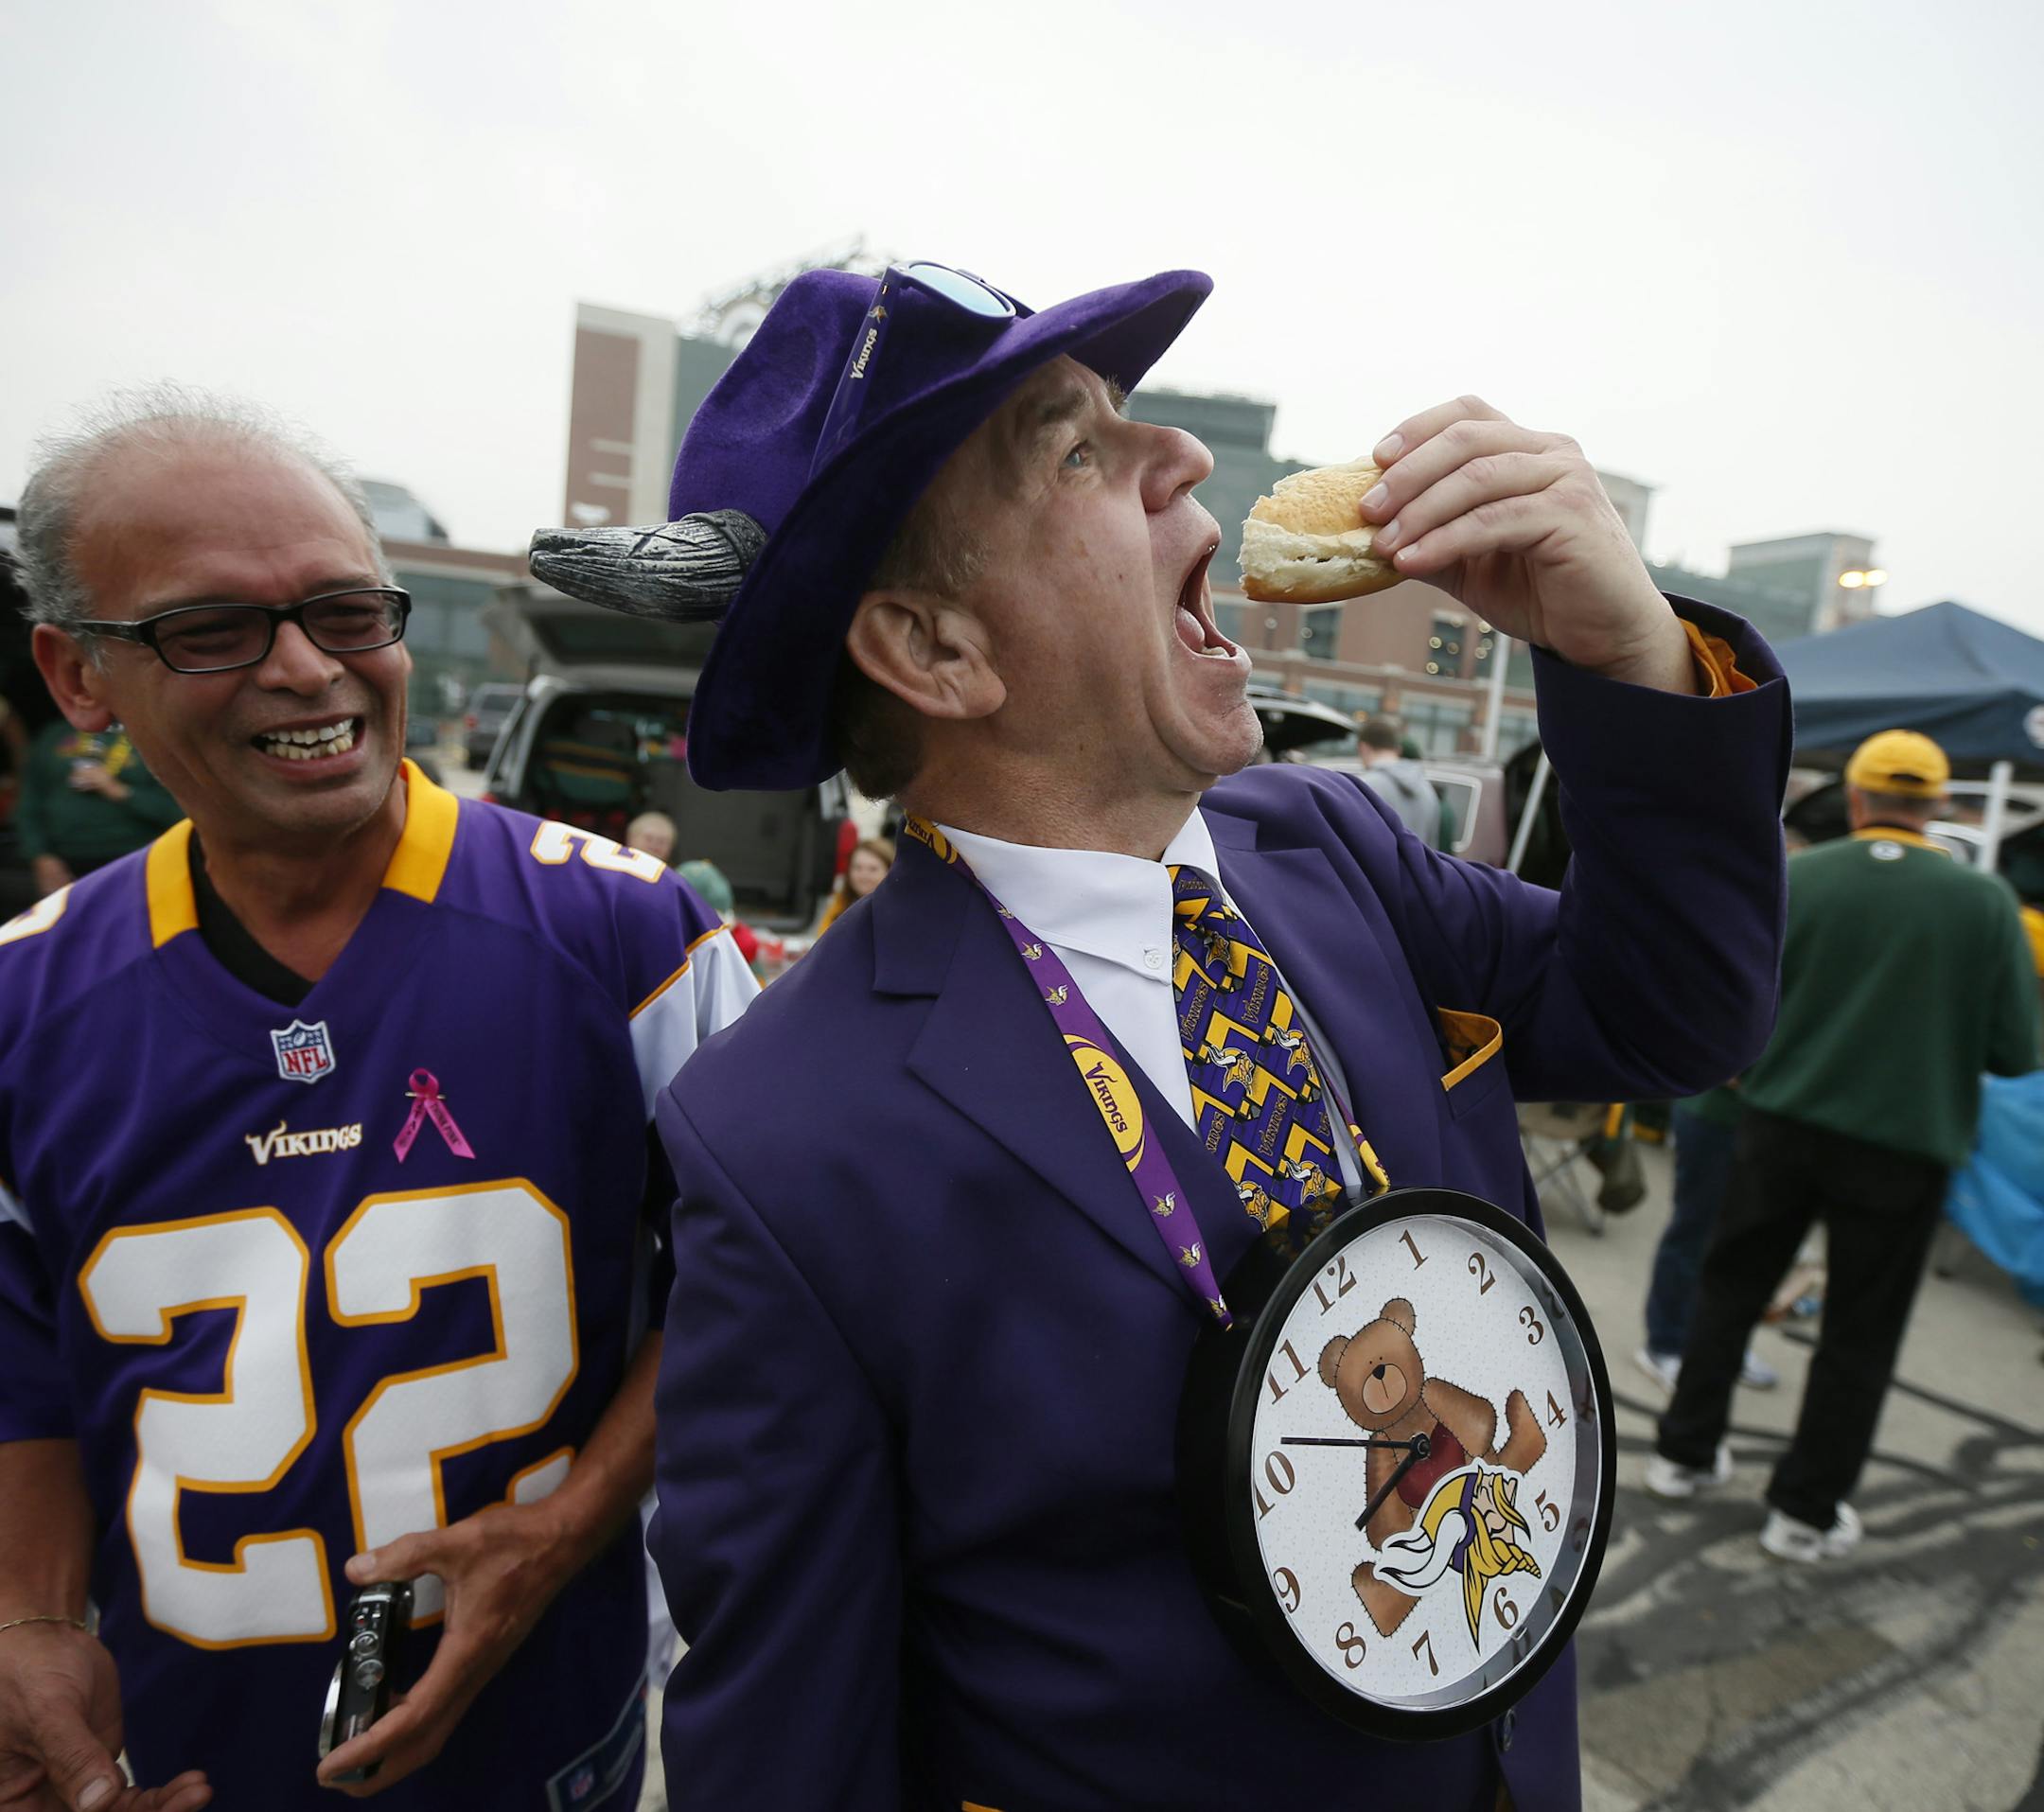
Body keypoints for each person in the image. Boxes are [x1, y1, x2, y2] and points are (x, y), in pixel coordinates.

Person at [549, 261, 1789, 1811]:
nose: (1183, 459)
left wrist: (1633, 661)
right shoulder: (784, 1133)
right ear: (935, 650)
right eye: (1076, 449)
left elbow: (1678, 1011)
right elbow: (791, 1739)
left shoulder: (1328, 848)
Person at [0, 389, 756, 1811]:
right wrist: (30, 1623)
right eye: (211, 627)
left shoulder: (631, 940)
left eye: (348, 612)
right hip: (180, 1750)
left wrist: (559, 1530)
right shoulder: (24, 1007)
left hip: (546, 1741)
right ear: (78, 671)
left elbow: (764, 1275)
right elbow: (22, 1357)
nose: (304, 668)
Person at [1650, 730, 2040, 1561]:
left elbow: (1734, 1007)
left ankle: (1684, 1454)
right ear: (1936, 807)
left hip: (1780, 1126)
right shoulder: (1985, 904)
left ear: (1858, 800)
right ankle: (1805, 1509)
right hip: (1904, 1149)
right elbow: (2016, 1051)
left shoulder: (1798, 879)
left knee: (1730, 1288)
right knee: (1860, 1333)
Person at [1633, 1082, 1780, 1393]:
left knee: (1746, 1243)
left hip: (1767, 1118)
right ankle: (1665, 1345)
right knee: (1695, 1231)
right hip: (1716, 1113)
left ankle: (1722, 1345)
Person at [16, 716, 184, 896]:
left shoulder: (152, 735)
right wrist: (40, 856)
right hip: (67, 859)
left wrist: (120, 791)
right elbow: (29, 803)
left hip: (138, 857)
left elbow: (180, 813)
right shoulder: (55, 734)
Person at [1354, 718, 1444, 847]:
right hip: (1417, 866)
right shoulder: (1426, 788)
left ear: (1363, 748)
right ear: (1398, 750)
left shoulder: (1364, 786)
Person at [812, 834, 894, 933]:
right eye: (857, 867)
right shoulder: (840, 902)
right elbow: (822, 938)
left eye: (873, 869)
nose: (864, 875)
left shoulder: (896, 911)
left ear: (890, 871)